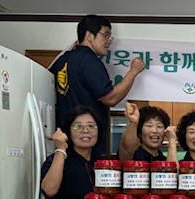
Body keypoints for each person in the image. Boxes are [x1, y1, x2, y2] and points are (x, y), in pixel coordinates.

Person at [50, 14, 145, 150]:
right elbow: (110, 98)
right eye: (105, 35)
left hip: (64, 142)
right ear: (89, 35)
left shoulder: (62, 60)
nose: (109, 41)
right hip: (86, 142)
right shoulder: (89, 60)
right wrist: (133, 71)